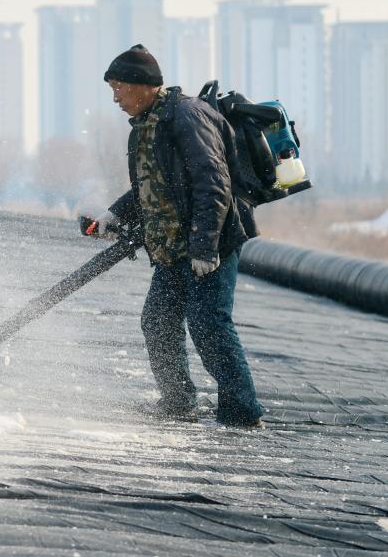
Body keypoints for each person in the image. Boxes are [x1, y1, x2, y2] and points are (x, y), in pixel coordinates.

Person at [90, 44, 264, 429]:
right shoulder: (146, 126)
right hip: (172, 246)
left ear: (143, 85)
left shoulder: (187, 117)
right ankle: (179, 401)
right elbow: (153, 184)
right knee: (158, 320)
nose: (115, 97)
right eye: (112, 89)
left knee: (209, 323)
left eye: (119, 87)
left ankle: (242, 413)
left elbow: (213, 185)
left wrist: (205, 247)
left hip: (210, 242)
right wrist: (113, 214)